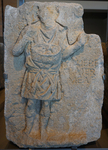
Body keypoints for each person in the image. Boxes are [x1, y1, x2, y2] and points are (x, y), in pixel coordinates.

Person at [13, 5, 85, 136]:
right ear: (39, 15)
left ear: (55, 15)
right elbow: (15, 51)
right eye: (42, 15)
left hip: (50, 73)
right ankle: (28, 129)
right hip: (34, 72)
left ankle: (43, 130)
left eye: (48, 15)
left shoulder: (60, 31)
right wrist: (25, 39)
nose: (44, 18)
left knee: (46, 104)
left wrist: (77, 45)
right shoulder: (31, 29)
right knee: (30, 103)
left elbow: (63, 54)